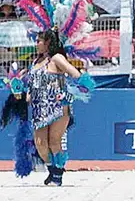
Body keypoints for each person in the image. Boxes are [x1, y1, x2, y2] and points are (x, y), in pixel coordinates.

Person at [24, 16, 95, 187]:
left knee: (54, 140)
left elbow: (75, 74)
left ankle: (57, 174)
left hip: (58, 106)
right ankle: (53, 169)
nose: (36, 43)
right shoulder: (36, 61)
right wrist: (27, 94)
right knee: (40, 143)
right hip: (40, 108)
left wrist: (71, 92)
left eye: (39, 41)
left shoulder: (56, 59)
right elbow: (33, 83)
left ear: (48, 42)